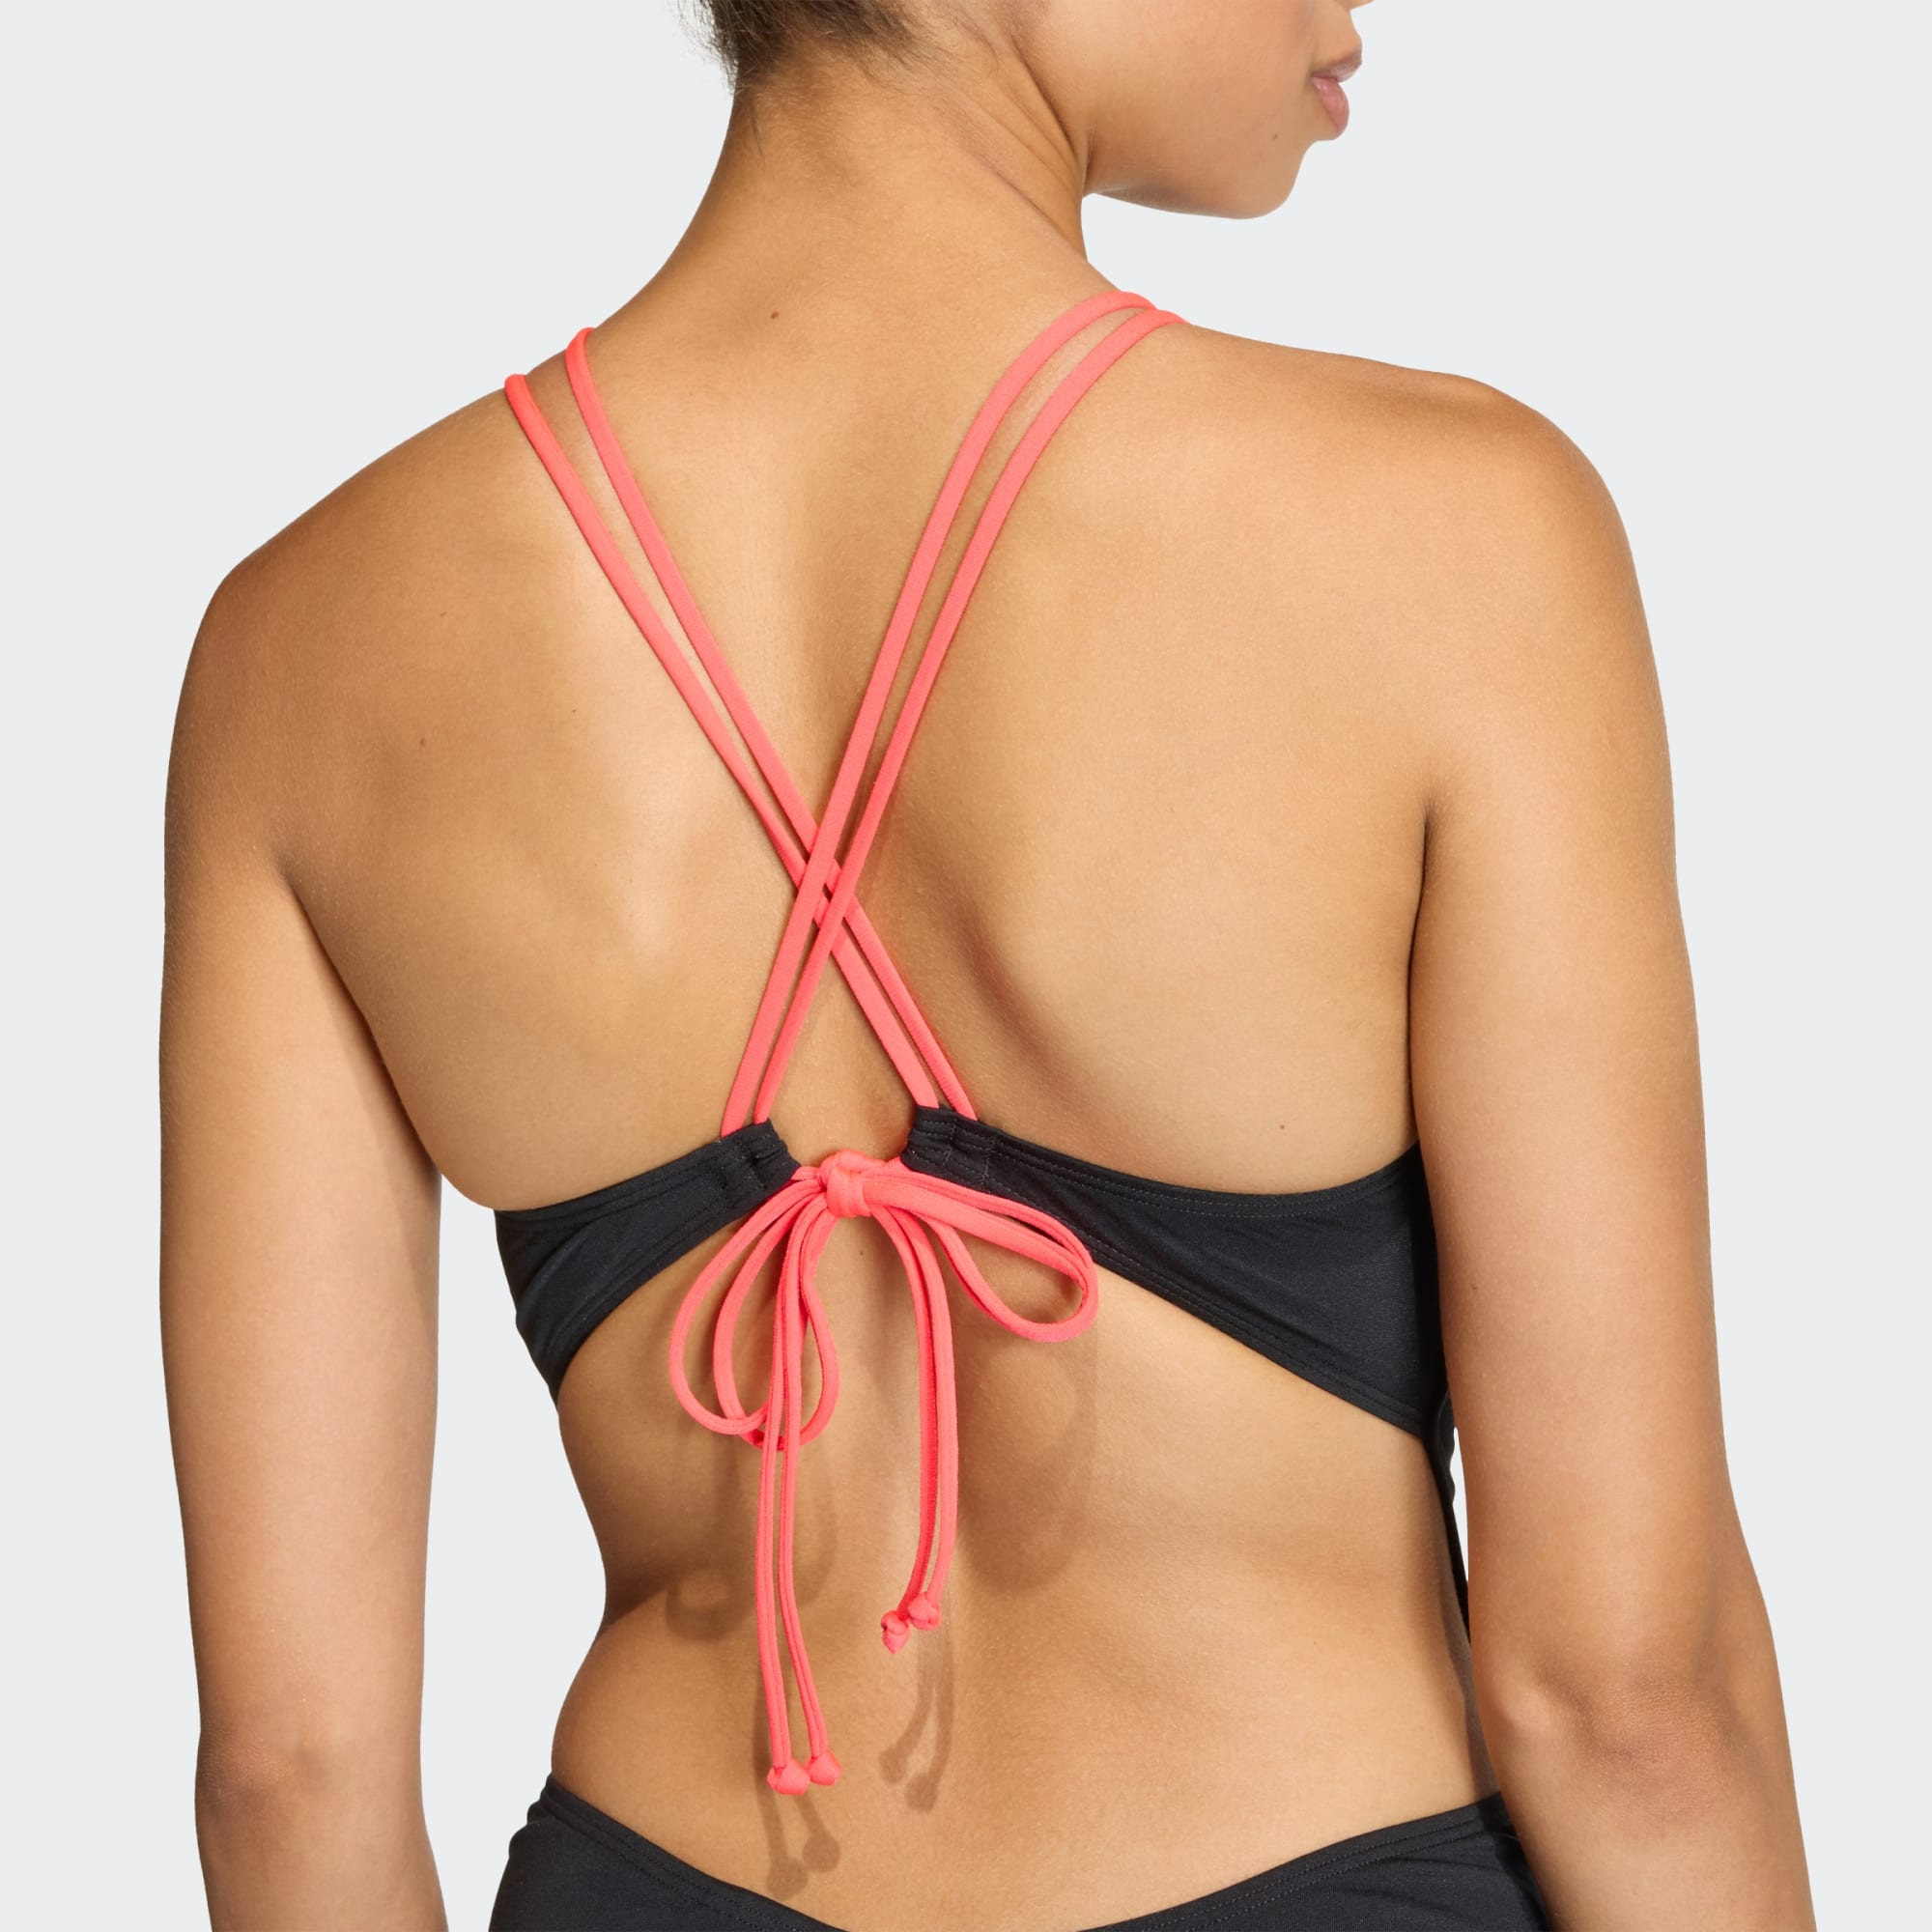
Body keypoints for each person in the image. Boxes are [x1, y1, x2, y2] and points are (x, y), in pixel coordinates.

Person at [159, 1, 1815, 1926]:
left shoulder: (301, 646)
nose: (1351, 10)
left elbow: (289, 1771)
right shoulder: (1457, 533)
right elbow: (1626, 1696)